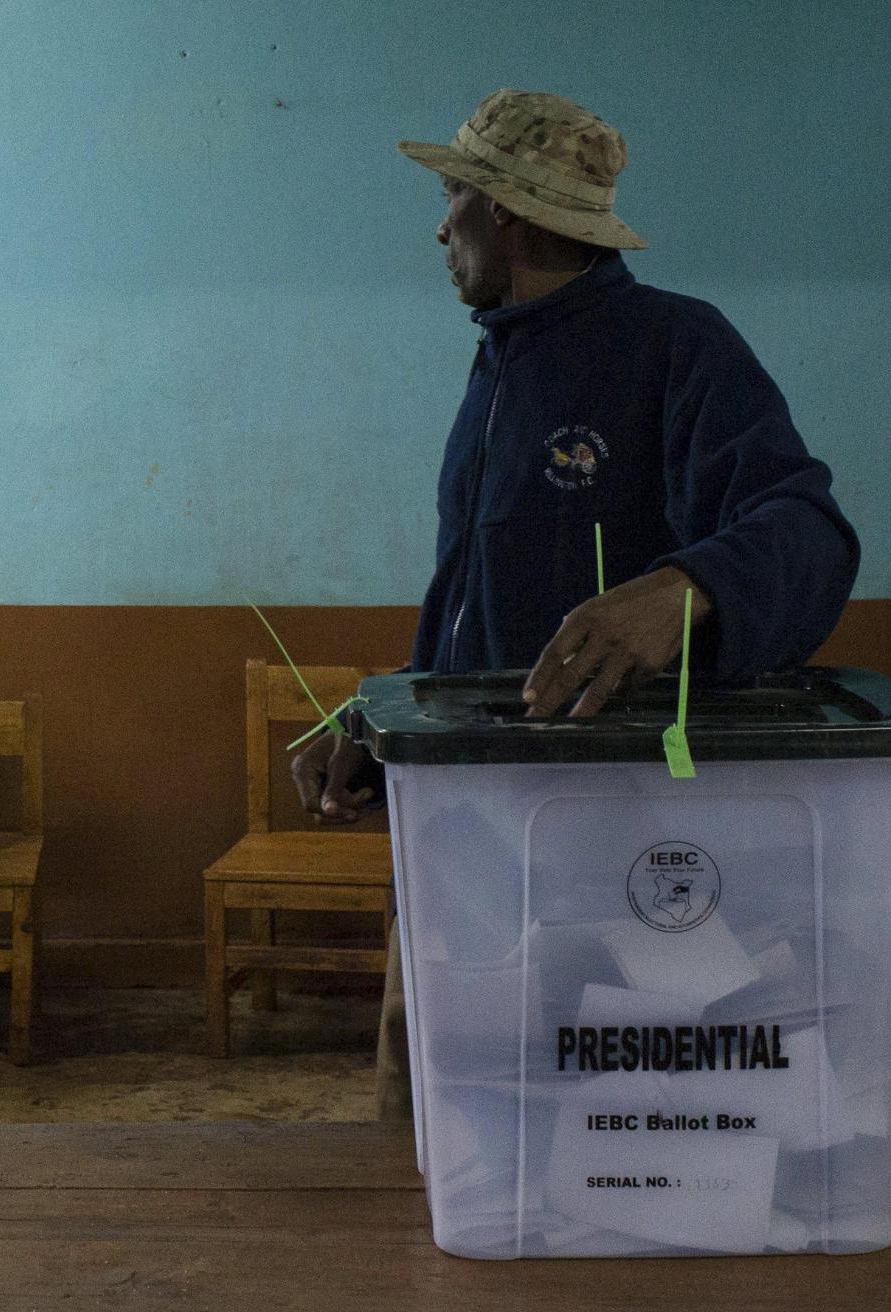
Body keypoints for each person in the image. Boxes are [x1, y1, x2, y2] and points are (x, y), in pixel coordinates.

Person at [293, 88, 860, 820]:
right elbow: (482, 612)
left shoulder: (675, 343)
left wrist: (684, 589)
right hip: (473, 812)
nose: (440, 230)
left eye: (451, 195)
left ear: (499, 205)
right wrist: (385, 714)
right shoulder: (499, 365)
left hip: (616, 812)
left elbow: (809, 531)